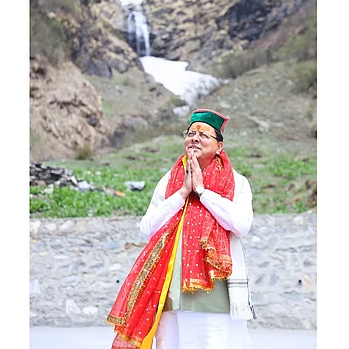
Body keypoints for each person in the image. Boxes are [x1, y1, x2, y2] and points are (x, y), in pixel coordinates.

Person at [107, 109, 256, 349]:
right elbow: (147, 229)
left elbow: (241, 225)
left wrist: (202, 192)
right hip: (168, 293)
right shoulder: (169, 180)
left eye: (204, 135)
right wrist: (182, 193)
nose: (195, 138)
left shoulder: (237, 182)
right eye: (191, 133)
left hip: (214, 299)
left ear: (219, 147)